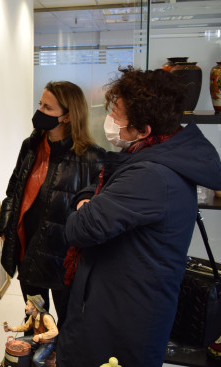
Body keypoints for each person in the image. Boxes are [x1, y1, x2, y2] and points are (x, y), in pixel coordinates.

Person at [57, 67, 221, 367]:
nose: (110, 120)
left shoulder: (150, 174)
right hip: (111, 308)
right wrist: (89, 201)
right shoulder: (144, 157)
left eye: (117, 113)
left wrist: (87, 206)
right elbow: (90, 191)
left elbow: (79, 228)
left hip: (124, 324)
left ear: (144, 130)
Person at [0, 81, 105, 326]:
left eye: (48, 108)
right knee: (34, 321)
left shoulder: (92, 158)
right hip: (28, 251)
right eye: (40, 105)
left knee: (68, 326)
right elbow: (14, 189)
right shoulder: (31, 146)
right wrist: (6, 225)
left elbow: (92, 217)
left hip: (63, 260)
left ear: (68, 116)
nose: (40, 112)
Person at [3, 294, 58, 367]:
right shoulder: (33, 317)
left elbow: (55, 331)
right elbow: (25, 327)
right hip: (37, 340)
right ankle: (24, 362)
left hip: (48, 343)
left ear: (34, 308)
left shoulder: (46, 318)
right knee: (15, 342)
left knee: (37, 360)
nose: (25, 307)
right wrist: (12, 329)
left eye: (28, 305)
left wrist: (40, 336)